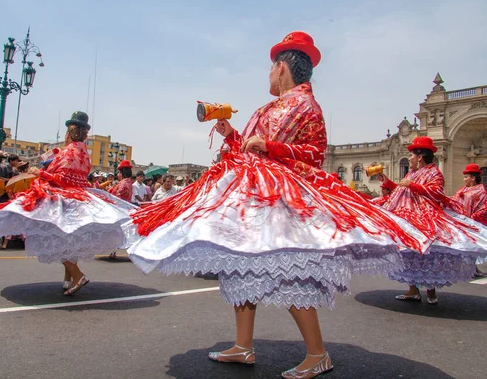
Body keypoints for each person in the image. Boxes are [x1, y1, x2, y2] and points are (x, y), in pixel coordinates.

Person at [124, 32, 428, 378]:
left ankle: (317, 353)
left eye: (271, 68)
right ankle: (243, 346)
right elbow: (253, 148)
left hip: (283, 201)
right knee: (238, 266)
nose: (268, 75)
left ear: (281, 67)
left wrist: (273, 148)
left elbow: (314, 154)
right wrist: (231, 135)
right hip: (255, 194)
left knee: (286, 270)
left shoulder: (305, 106)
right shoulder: (272, 107)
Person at [0, 111, 133, 295]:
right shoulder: (83, 151)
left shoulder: (70, 151)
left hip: (64, 198)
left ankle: (77, 275)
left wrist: (39, 173)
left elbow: (62, 179)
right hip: (78, 197)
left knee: (53, 237)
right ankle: (68, 277)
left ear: (70, 132)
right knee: (66, 238)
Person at [379, 137, 487, 304]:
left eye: (412, 155)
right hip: (408, 217)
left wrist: (412, 185)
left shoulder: (434, 172)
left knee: (428, 252)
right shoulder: (412, 173)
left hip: (425, 218)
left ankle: (431, 291)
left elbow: (437, 193)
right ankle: (412, 290)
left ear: (420, 157)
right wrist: (388, 182)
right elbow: (402, 191)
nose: (410, 158)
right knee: (409, 253)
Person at [451, 163, 487, 278]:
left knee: (472, 245)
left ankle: (473, 268)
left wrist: (474, 217)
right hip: (461, 221)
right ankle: (467, 268)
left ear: (473, 178)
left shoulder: (481, 190)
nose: (464, 179)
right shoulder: (462, 189)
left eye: (466, 177)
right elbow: (454, 202)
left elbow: (484, 207)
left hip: (473, 222)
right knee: (463, 244)